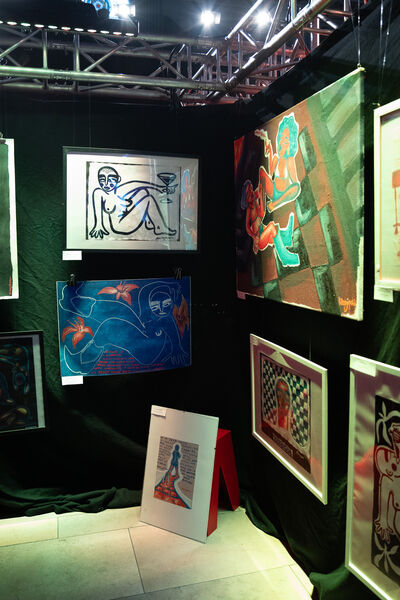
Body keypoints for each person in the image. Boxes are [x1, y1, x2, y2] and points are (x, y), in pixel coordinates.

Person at [89, 166, 177, 240]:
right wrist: (98, 226)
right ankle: (158, 227)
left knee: (143, 191)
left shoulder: (119, 190)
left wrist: (161, 188)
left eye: (111, 179)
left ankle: (149, 223)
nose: (106, 183)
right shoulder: (99, 192)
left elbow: (137, 183)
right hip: (120, 226)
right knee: (148, 198)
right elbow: (97, 211)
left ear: (118, 179)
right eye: (102, 179)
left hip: (126, 221)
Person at [254, 112, 301, 214]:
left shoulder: (290, 160)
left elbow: (295, 185)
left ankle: (274, 204)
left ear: (290, 142)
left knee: (297, 188)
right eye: (282, 137)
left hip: (283, 195)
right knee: (261, 171)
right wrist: (270, 150)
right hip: (273, 191)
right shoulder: (276, 158)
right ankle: (261, 200)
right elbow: (270, 175)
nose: (282, 140)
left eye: (286, 138)